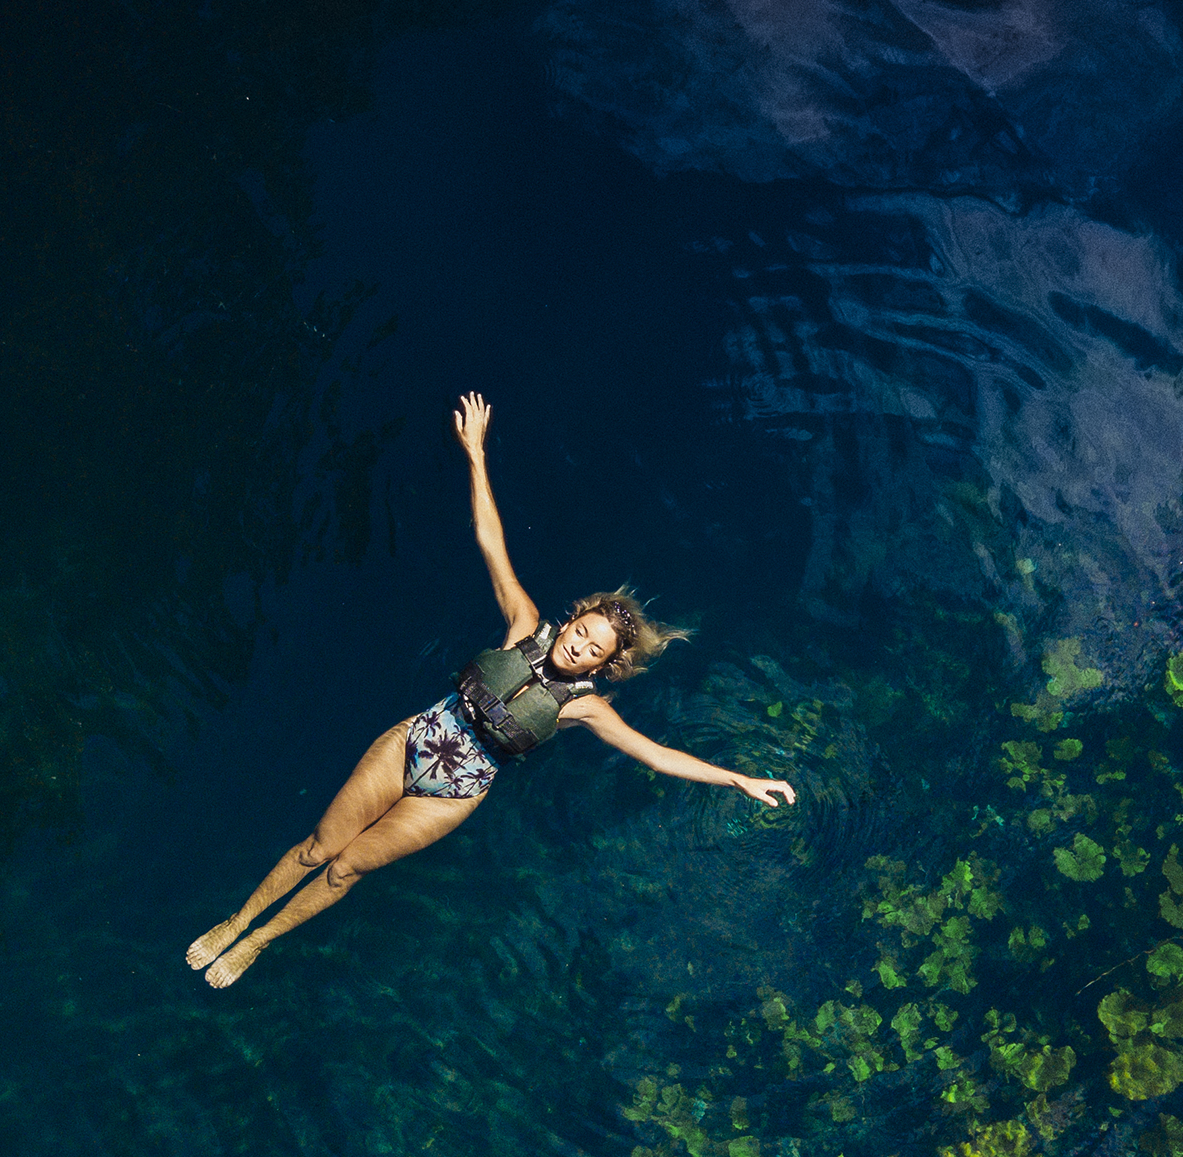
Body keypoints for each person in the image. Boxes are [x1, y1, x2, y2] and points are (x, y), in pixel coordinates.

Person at [186, 391, 796, 987]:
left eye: (594, 648)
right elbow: (491, 541)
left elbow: (654, 754)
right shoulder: (523, 624)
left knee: (346, 870)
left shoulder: (583, 707)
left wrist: (737, 777)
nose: (581, 645)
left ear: (605, 663)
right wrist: (476, 454)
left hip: (455, 793)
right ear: (572, 619)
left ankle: (261, 941)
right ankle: (237, 919)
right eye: (582, 631)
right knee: (320, 848)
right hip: (414, 740)